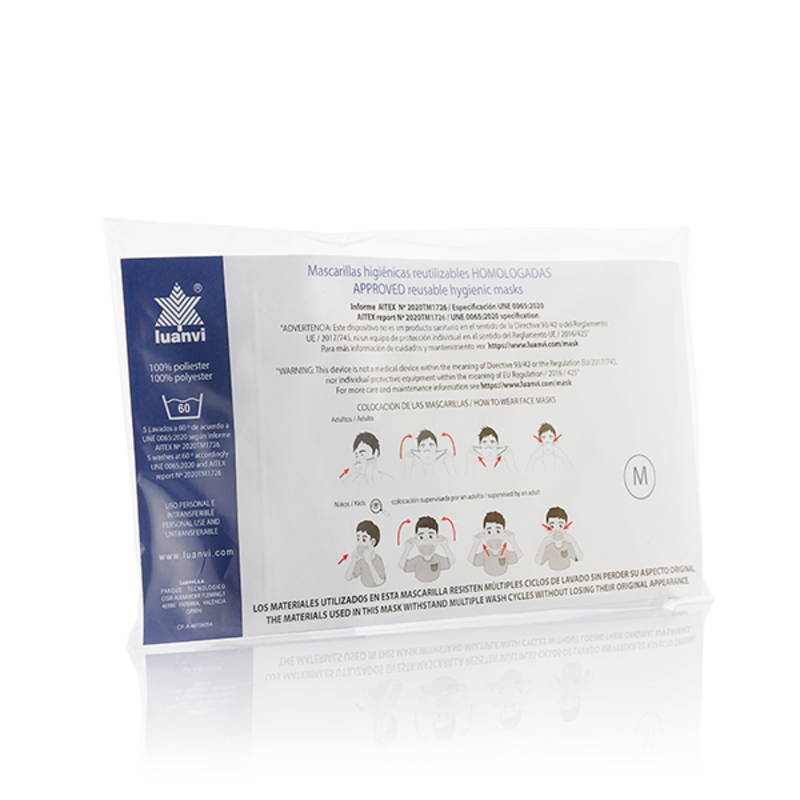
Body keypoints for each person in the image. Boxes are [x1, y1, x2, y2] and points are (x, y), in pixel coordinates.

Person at [399, 516, 455, 582]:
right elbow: (402, 566)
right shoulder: (417, 560)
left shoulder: (437, 559)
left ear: (437, 539)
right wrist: (407, 549)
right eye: (421, 537)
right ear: (416, 540)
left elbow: (451, 562)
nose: (426, 540)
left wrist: (445, 546)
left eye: (430, 536)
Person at [468, 511, 522, 576]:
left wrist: (512, 541)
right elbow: (471, 560)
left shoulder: (505, 553)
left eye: (498, 531)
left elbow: (519, 556)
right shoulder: (484, 554)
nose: (494, 535)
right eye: (489, 532)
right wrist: (475, 543)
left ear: (504, 533)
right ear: (484, 535)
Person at [344, 520, 386, 587]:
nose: (359, 543)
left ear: (372, 542)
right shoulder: (361, 562)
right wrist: (353, 561)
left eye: (364, 540)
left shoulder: (377, 560)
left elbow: (379, 581)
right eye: (358, 539)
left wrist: (369, 563)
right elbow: (348, 577)